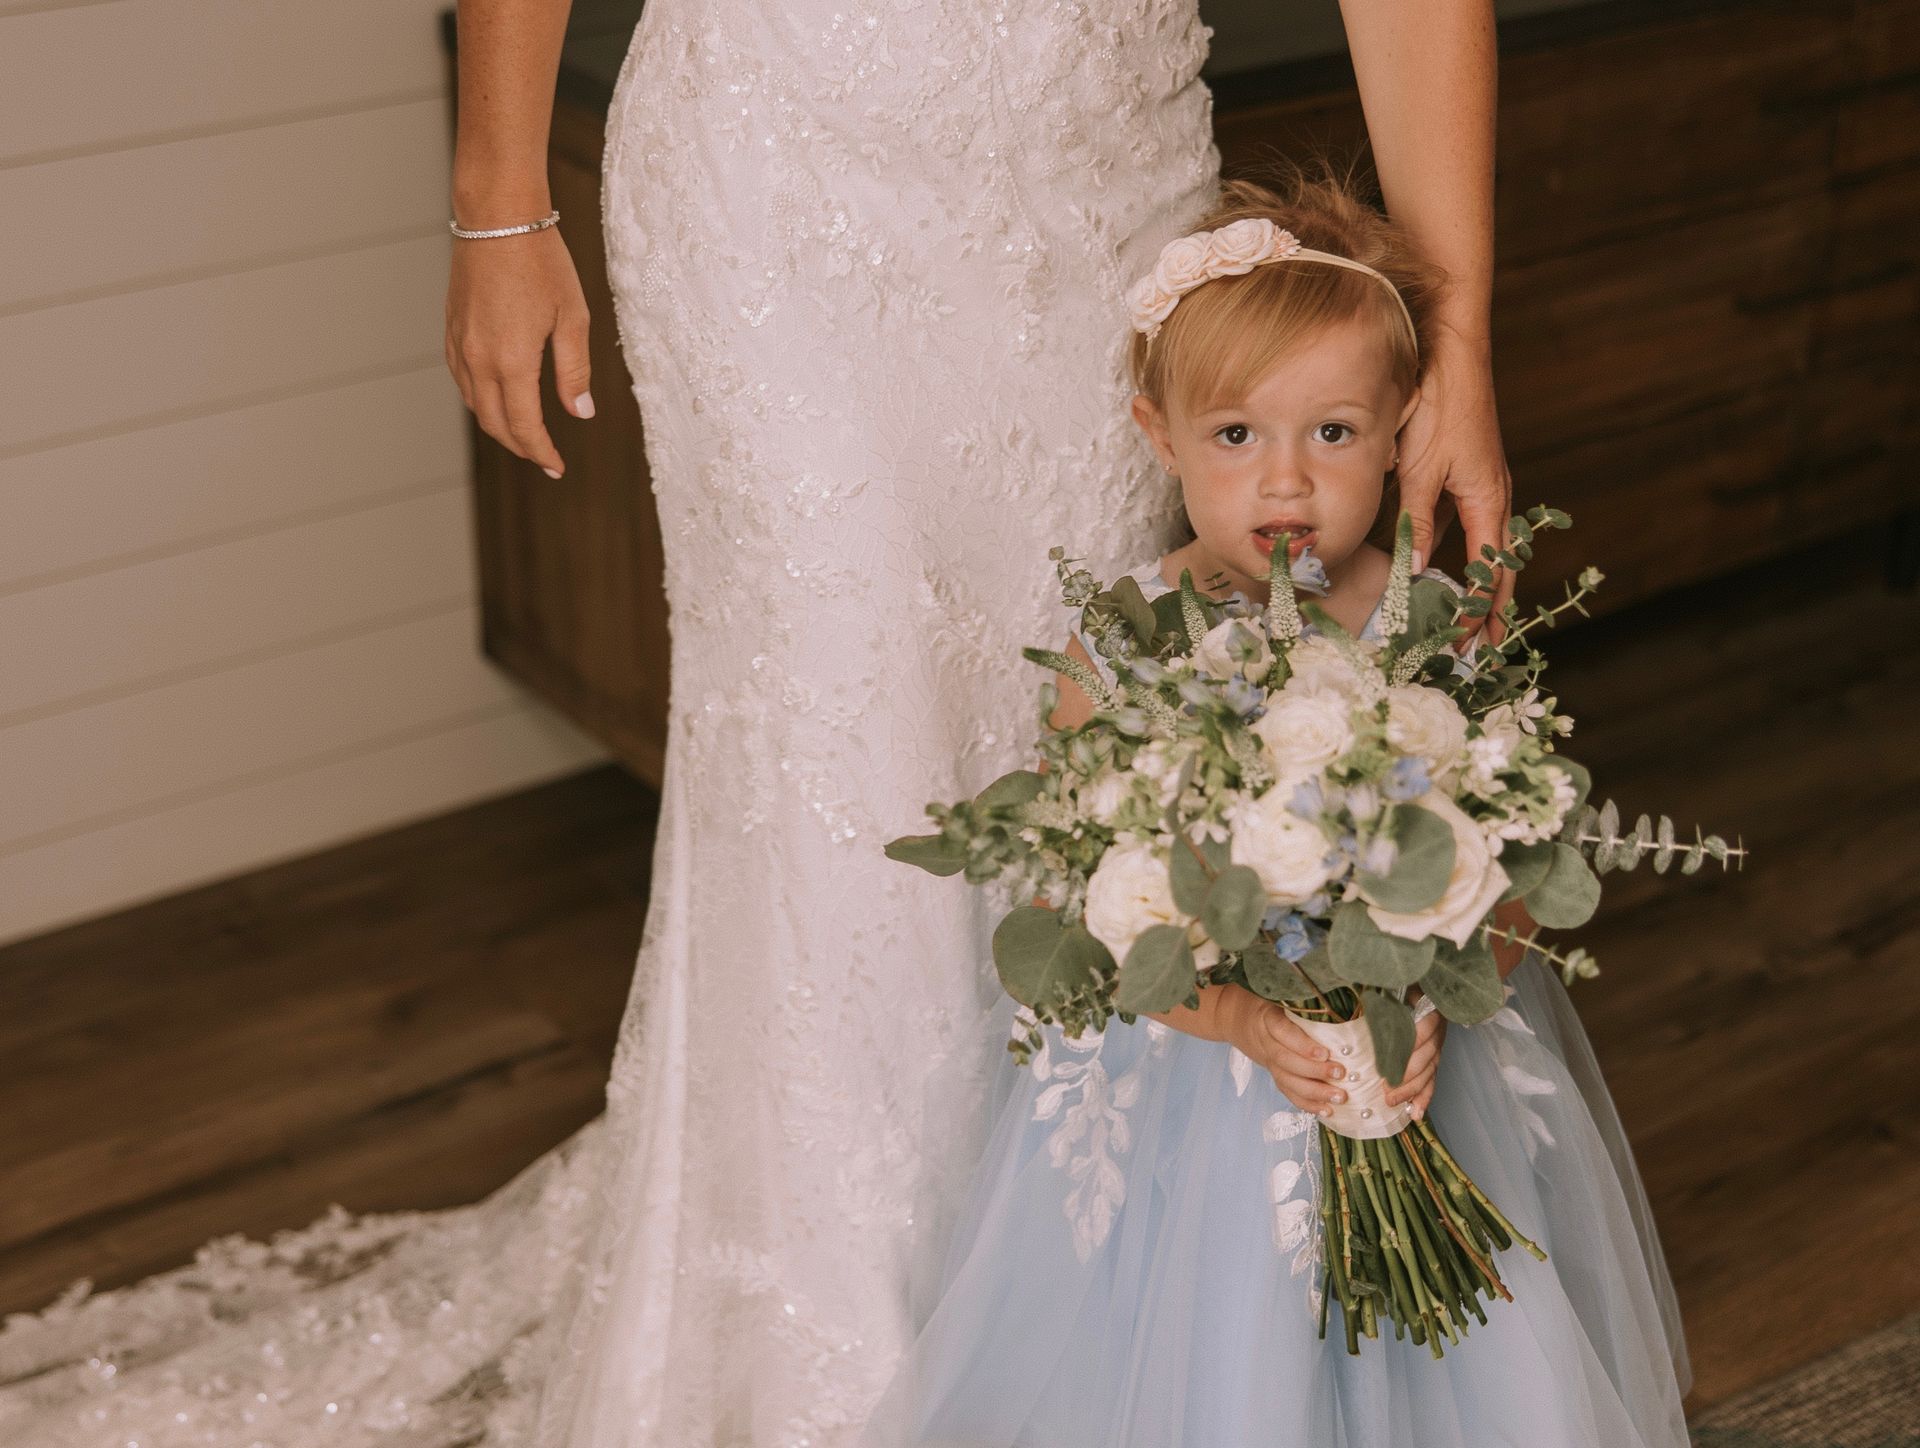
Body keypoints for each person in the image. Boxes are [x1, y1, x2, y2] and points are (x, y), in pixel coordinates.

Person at [0, 4, 1518, 1446]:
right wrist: (497, 197)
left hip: (1103, 190)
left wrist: (1455, 339)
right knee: (845, 783)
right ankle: (837, 1374)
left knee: (1094, 756)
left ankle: (1087, 1329)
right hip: (789, 165)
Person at [854, 172, 1693, 1448]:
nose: (1286, 485)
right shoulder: (1119, 656)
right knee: (1201, 1352)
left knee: (1452, 1366)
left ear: (1407, 424)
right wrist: (1239, 1014)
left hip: (1410, 1070)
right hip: (1194, 1078)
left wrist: (1439, 993)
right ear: (1157, 433)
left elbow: (1509, 875)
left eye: (1336, 434)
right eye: (1236, 436)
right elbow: (1081, 918)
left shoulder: (1430, 635)